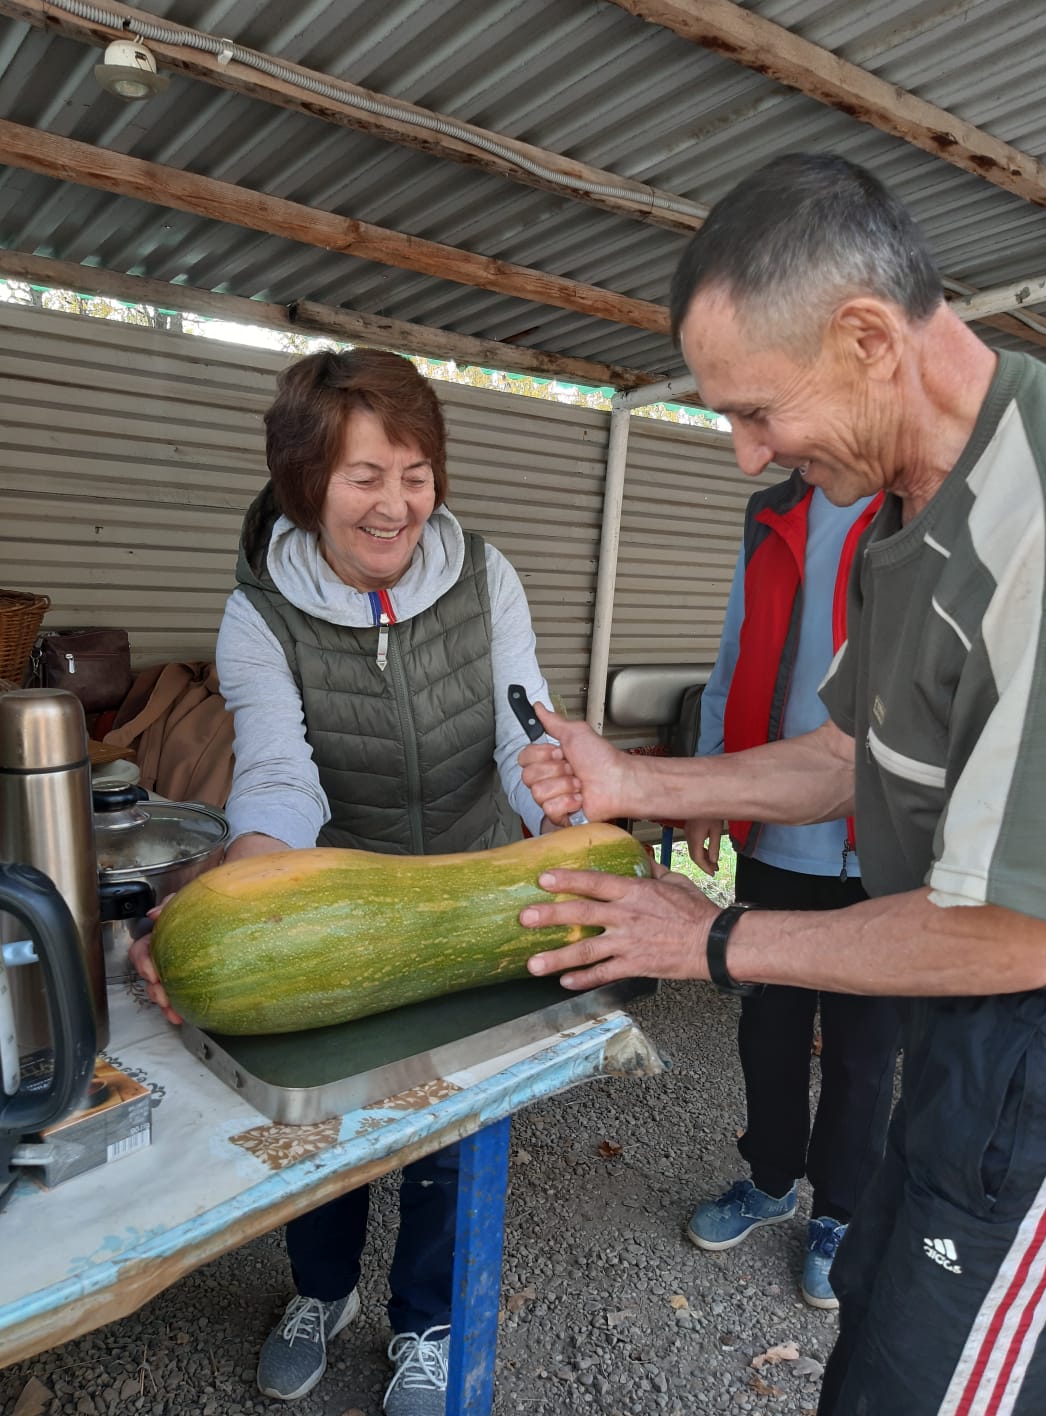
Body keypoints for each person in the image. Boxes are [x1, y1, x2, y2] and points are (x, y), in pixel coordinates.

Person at [515, 153, 1046, 1416]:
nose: (744, 452)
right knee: (873, 1328)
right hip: (967, 1038)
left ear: (869, 338)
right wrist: (632, 779)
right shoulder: (899, 507)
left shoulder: (1040, 524)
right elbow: (846, 759)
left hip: (1036, 1055)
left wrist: (708, 937)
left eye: (757, 412)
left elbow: (1018, 934)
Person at [133, 348, 553, 1416]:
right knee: (320, 1118)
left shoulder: (485, 575)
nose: (397, 502)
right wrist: (244, 897)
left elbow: (523, 737)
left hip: (471, 880)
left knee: (450, 1127)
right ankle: (322, 1293)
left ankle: (423, 1323)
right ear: (306, 478)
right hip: (334, 895)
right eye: (367, 474)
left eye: (416, 471)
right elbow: (278, 775)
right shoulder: (257, 613)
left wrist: (575, 826)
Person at [684, 477, 898, 1309]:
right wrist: (709, 782)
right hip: (775, 828)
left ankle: (841, 1211)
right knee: (768, 1027)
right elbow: (736, 648)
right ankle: (770, 1179)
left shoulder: (918, 499)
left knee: (864, 1049)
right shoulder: (772, 508)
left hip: (879, 840)